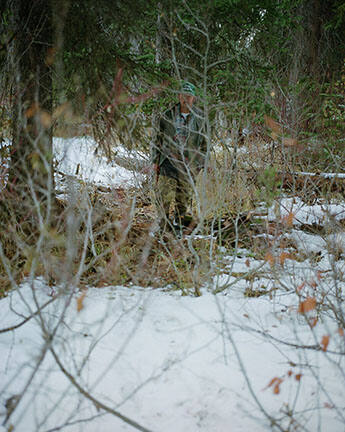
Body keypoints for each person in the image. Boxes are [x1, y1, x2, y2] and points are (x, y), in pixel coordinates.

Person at [152, 81, 207, 232]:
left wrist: (199, 164)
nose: (186, 99)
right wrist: (155, 161)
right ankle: (163, 229)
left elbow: (205, 144)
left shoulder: (200, 118)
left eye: (189, 97)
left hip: (188, 164)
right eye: (183, 96)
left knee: (183, 200)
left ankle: (180, 229)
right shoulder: (167, 115)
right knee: (164, 197)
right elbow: (157, 139)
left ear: (193, 98)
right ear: (179, 96)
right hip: (168, 162)